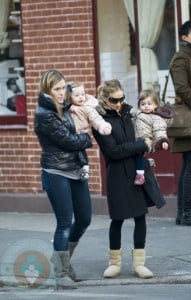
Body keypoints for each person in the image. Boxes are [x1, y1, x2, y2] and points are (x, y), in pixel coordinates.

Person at [93, 79, 165, 279]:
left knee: (140, 217)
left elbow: (152, 123)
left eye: (122, 98)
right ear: (105, 100)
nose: (119, 103)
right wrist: (142, 144)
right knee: (117, 219)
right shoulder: (99, 121)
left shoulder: (130, 113)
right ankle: (114, 263)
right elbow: (114, 151)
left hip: (137, 171)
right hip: (117, 174)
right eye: (114, 100)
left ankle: (139, 264)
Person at [34, 70, 93, 289]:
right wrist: (86, 136)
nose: (61, 93)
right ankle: (61, 273)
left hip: (75, 169)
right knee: (65, 222)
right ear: (48, 90)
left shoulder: (66, 108)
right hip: (56, 172)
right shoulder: (45, 114)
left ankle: (63, 263)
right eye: (56, 89)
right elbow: (68, 141)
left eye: (63, 88)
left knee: (85, 218)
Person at [169, 20, 191, 226]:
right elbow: (182, 89)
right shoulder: (182, 58)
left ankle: (182, 213)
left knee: (190, 165)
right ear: (184, 37)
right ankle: (187, 212)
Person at [66, 81, 112, 180]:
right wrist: (70, 107)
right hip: (68, 134)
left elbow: (95, 118)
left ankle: (85, 168)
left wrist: (102, 126)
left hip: (80, 134)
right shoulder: (66, 108)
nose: (81, 97)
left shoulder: (87, 108)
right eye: (77, 95)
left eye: (83, 94)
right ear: (69, 97)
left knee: (80, 151)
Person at [134, 89, 173, 185]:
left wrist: (163, 141)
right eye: (143, 104)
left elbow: (160, 130)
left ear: (155, 105)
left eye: (149, 104)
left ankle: (140, 176)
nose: (146, 106)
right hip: (136, 140)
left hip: (146, 142)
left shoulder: (157, 118)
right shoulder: (138, 114)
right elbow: (129, 110)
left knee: (140, 156)